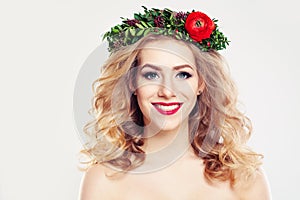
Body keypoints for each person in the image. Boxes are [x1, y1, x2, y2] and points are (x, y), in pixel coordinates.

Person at [78, 7, 271, 199]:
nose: (167, 91)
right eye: (151, 75)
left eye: (183, 74)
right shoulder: (103, 179)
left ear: (200, 84)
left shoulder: (243, 177)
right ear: (132, 83)